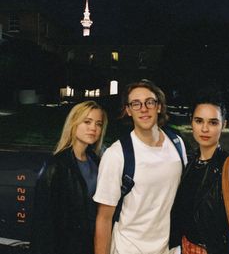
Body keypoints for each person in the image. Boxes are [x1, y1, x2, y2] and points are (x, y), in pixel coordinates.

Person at [93, 80, 187, 254]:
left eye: (149, 102)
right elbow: (104, 218)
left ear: (158, 107)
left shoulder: (177, 144)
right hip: (129, 248)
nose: (144, 109)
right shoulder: (117, 155)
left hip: (170, 249)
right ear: (128, 110)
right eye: (136, 104)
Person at [30, 100, 108, 254]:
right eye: (87, 122)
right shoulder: (56, 166)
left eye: (98, 124)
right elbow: (43, 224)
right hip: (67, 246)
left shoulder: (97, 161)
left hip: (93, 244)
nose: (93, 128)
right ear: (74, 124)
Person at [169, 87, 229, 254]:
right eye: (199, 121)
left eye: (213, 122)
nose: (205, 129)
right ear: (191, 122)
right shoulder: (188, 163)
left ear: (224, 125)